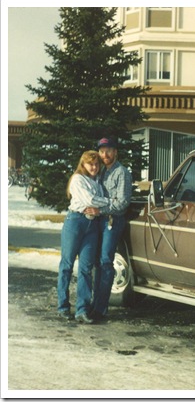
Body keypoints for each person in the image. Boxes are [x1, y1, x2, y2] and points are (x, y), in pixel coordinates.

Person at [57, 151, 111, 324]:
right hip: (75, 222)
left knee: (86, 268)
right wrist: (109, 202)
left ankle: (82, 309)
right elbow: (90, 200)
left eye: (96, 164)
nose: (94, 167)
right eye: (90, 164)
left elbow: (96, 200)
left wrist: (101, 202)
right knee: (67, 265)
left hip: (92, 225)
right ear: (83, 164)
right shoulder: (78, 179)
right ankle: (63, 307)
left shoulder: (98, 181)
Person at [87, 137, 132, 322]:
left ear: (115, 152)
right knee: (96, 262)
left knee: (106, 261)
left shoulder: (122, 173)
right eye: (102, 151)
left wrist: (101, 210)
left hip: (112, 221)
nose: (105, 154)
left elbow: (122, 203)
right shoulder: (100, 171)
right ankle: (94, 303)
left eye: (108, 151)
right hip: (98, 221)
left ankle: (101, 309)